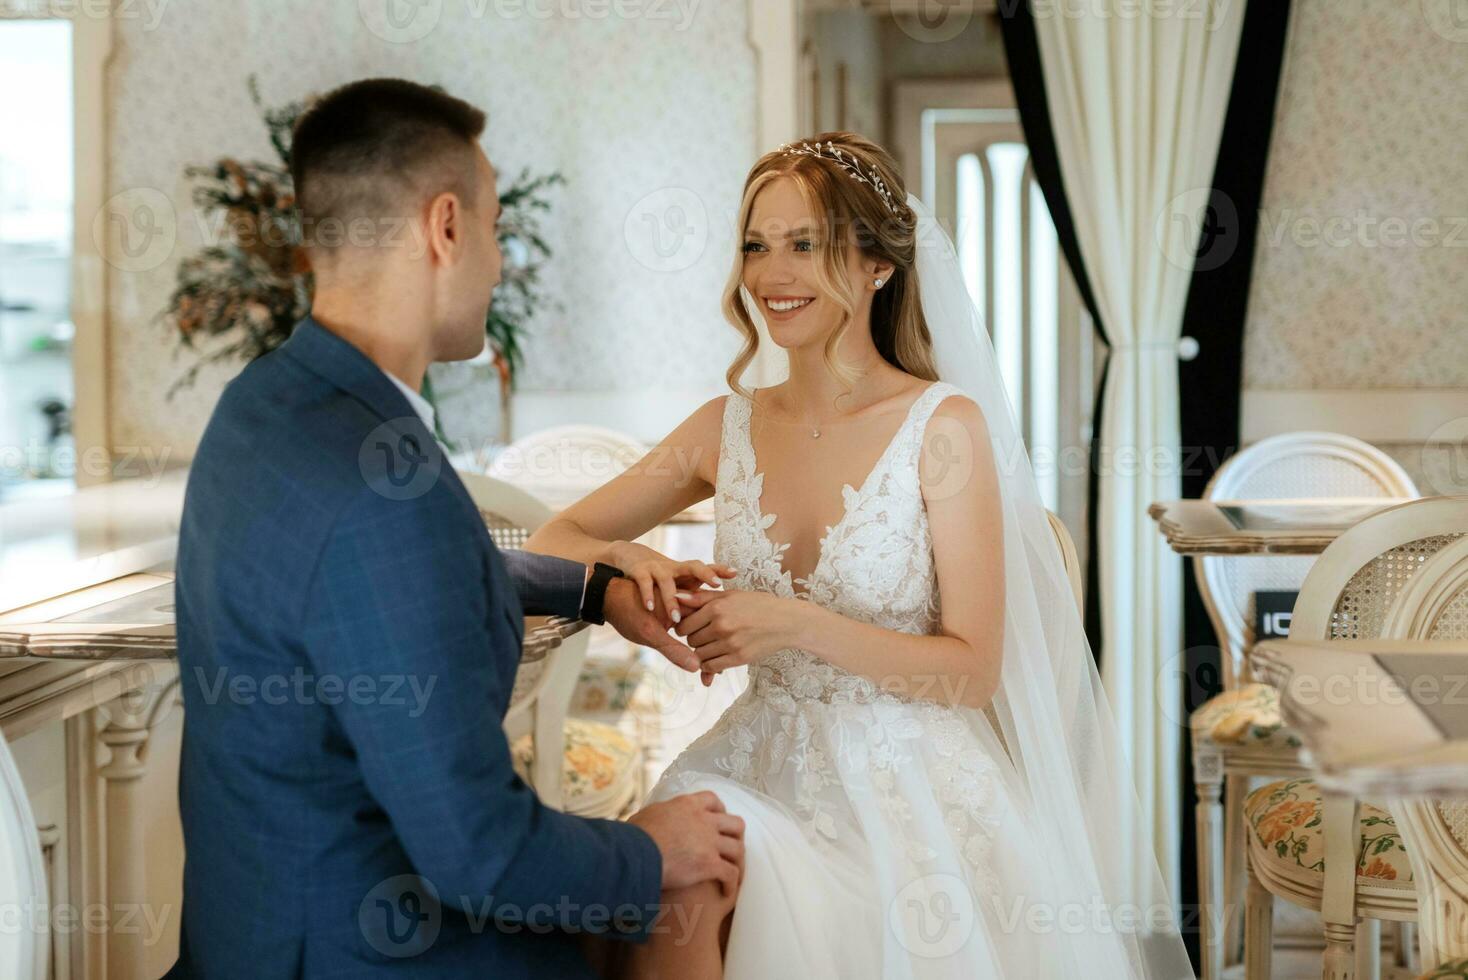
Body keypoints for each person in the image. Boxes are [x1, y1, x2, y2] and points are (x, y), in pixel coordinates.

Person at [524, 133, 1196, 978]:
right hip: (753, 762)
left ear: (878, 265)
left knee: (705, 886)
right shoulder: (720, 427)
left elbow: (972, 671)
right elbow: (555, 540)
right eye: (755, 246)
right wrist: (628, 559)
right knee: (682, 870)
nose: (772, 274)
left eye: (805, 244)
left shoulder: (942, 428)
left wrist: (795, 623)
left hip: (906, 795)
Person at [167, 78, 744, 979]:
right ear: (444, 227)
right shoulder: (379, 499)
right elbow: (481, 854)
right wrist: (647, 850)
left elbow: (386, 602)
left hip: (255, 928)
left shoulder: (266, 407)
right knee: (698, 892)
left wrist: (594, 588)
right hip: (367, 949)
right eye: (497, 228)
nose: (502, 262)